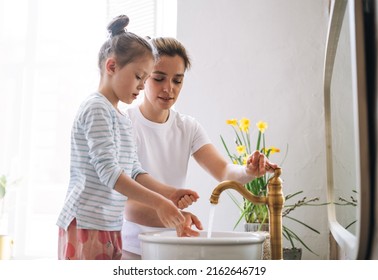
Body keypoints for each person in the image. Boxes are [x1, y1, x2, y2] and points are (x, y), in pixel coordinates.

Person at [56, 15, 199, 260]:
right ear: (111, 67)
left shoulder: (120, 117)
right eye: (138, 77)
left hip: (109, 223)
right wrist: (158, 203)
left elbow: (133, 170)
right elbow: (110, 172)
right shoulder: (96, 108)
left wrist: (170, 194)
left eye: (145, 79)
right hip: (86, 222)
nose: (143, 86)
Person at [122, 37, 277, 259]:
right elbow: (125, 206)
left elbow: (224, 171)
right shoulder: (125, 124)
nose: (169, 88)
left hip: (173, 245)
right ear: (144, 75)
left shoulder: (187, 127)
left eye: (177, 80)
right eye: (159, 78)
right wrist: (177, 214)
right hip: (130, 248)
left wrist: (248, 171)